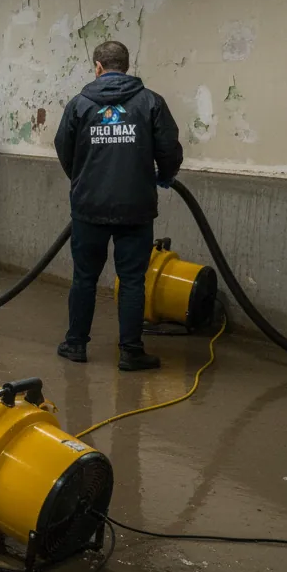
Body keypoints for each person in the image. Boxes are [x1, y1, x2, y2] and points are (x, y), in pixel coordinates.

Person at [54, 40, 183, 371]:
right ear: (126, 65)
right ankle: (130, 351)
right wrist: (163, 175)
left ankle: (76, 344)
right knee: (132, 280)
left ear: (97, 66)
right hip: (135, 207)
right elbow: (169, 147)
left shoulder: (80, 104)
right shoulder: (151, 102)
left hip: (89, 207)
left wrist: (82, 179)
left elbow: (64, 149)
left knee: (84, 277)